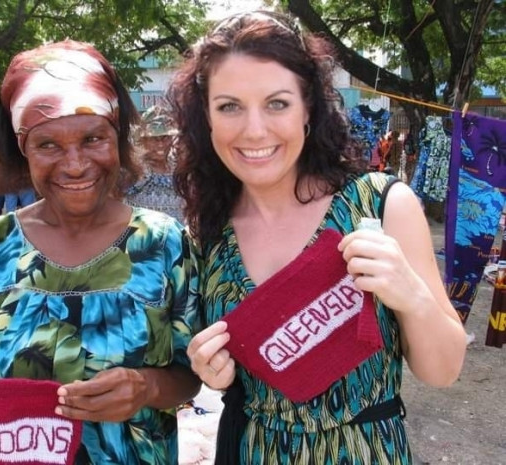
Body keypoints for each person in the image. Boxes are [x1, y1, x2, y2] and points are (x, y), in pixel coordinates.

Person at [166, 11, 467, 464]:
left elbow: (444, 371)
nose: (254, 130)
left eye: (277, 103)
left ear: (309, 108)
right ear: (206, 118)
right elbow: (231, 373)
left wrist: (413, 296)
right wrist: (213, 371)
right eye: (229, 106)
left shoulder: (381, 207)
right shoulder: (209, 234)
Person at [0, 39, 201, 464]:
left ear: (117, 138)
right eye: (48, 145)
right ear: (23, 149)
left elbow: (192, 374)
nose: (74, 164)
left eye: (93, 138)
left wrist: (147, 388)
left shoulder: (164, 244)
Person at [125, 105, 184, 222]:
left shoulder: (180, 169)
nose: (161, 144)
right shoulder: (133, 170)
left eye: (165, 138)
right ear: (143, 140)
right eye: (154, 139)